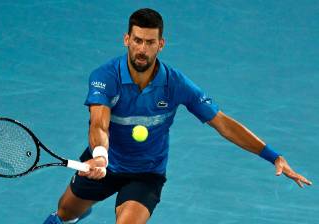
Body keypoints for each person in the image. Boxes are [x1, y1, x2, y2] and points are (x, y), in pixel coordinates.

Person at [44, 8, 312, 224]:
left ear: (161, 44)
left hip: (146, 173)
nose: (142, 49)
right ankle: (76, 213)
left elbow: (223, 124)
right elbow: (99, 122)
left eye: (150, 42)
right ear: (127, 39)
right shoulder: (105, 77)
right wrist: (100, 155)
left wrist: (273, 155)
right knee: (65, 213)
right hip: (104, 163)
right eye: (137, 40)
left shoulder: (176, 84)